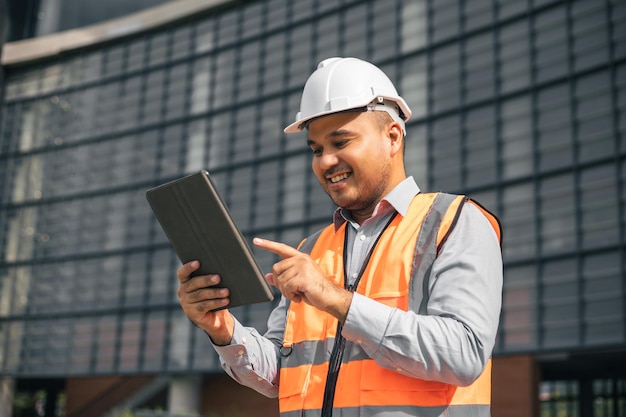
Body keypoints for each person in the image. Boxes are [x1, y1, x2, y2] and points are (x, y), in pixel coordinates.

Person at [177, 57, 503, 417]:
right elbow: (282, 376)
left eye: (341, 142)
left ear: (392, 136)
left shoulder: (455, 222)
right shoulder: (311, 251)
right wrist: (222, 329)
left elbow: (465, 354)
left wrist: (336, 300)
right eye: (316, 149)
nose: (325, 161)